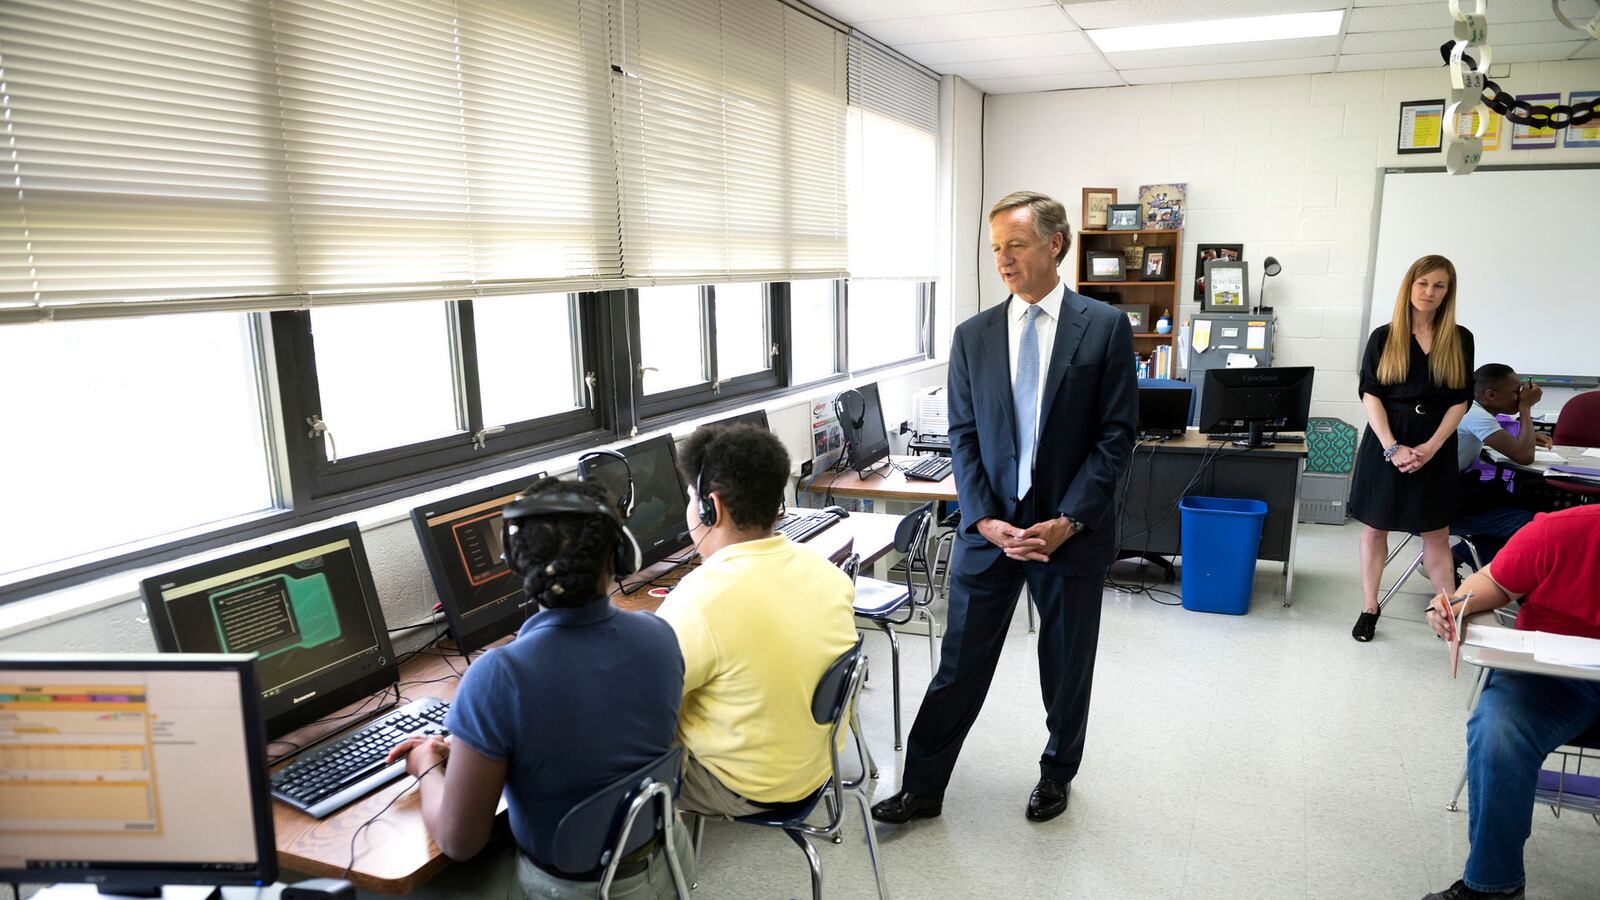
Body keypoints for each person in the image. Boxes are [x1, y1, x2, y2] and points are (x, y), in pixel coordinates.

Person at [872, 190, 1137, 826]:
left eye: (1016, 245)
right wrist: (984, 518)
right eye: (995, 248)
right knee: (959, 664)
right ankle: (923, 787)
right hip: (989, 528)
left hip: (1067, 530)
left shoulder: (1103, 327)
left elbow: (1116, 435)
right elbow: (962, 435)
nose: (1003, 260)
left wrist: (1069, 520)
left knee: (1065, 665)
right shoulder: (974, 336)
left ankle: (1057, 773)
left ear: (1055, 244)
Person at [386, 476, 690, 899]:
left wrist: (425, 765)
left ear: (516, 561)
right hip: (668, 859)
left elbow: (459, 842)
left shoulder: (498, 676)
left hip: (570, 889)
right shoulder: (658, 634)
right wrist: (479, 746)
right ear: (618, 555)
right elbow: (597, 729)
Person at [655, 424, 857, 818]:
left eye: (692, 498)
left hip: (748, 787)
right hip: (819, 765)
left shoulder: (699, 599)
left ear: (711, 508)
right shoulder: (825, 572)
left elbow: (641, 702)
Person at [1422, 505, 1600, 900]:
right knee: (1498, 728)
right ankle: (1494, 887)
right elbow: (1494, 583)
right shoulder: (1561, 531)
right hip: (1553, 676)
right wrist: (1453, 605)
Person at [1348, 254, 1475, 642]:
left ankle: (1446, 611)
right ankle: (1370, 607)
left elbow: (1461, 399)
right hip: (1387, 440)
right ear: (1410, 286)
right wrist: (1392, 447)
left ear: (1448, 292)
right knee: (1375, 529)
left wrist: (1432, 448)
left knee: (1436, 533)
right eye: (1423, 283)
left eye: (1439, 285)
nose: (1429, 292)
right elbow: (1371, 394)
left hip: (1435, 443)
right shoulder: (1383, 337)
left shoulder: (1460, 338)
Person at [1451, 364, 1551, 566]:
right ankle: (1481, 571)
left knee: (1522, 505)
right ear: (1491, 395)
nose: (1521, 395)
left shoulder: (1469, 407)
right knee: (1532, 523)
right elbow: (1524, 455)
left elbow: (1495, 439)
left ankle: (1455, 557)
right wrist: (1525, 407)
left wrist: (1526, 436)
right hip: (1436, 505)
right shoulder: (1474, 414)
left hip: (1443, 492)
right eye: (1516, 391)